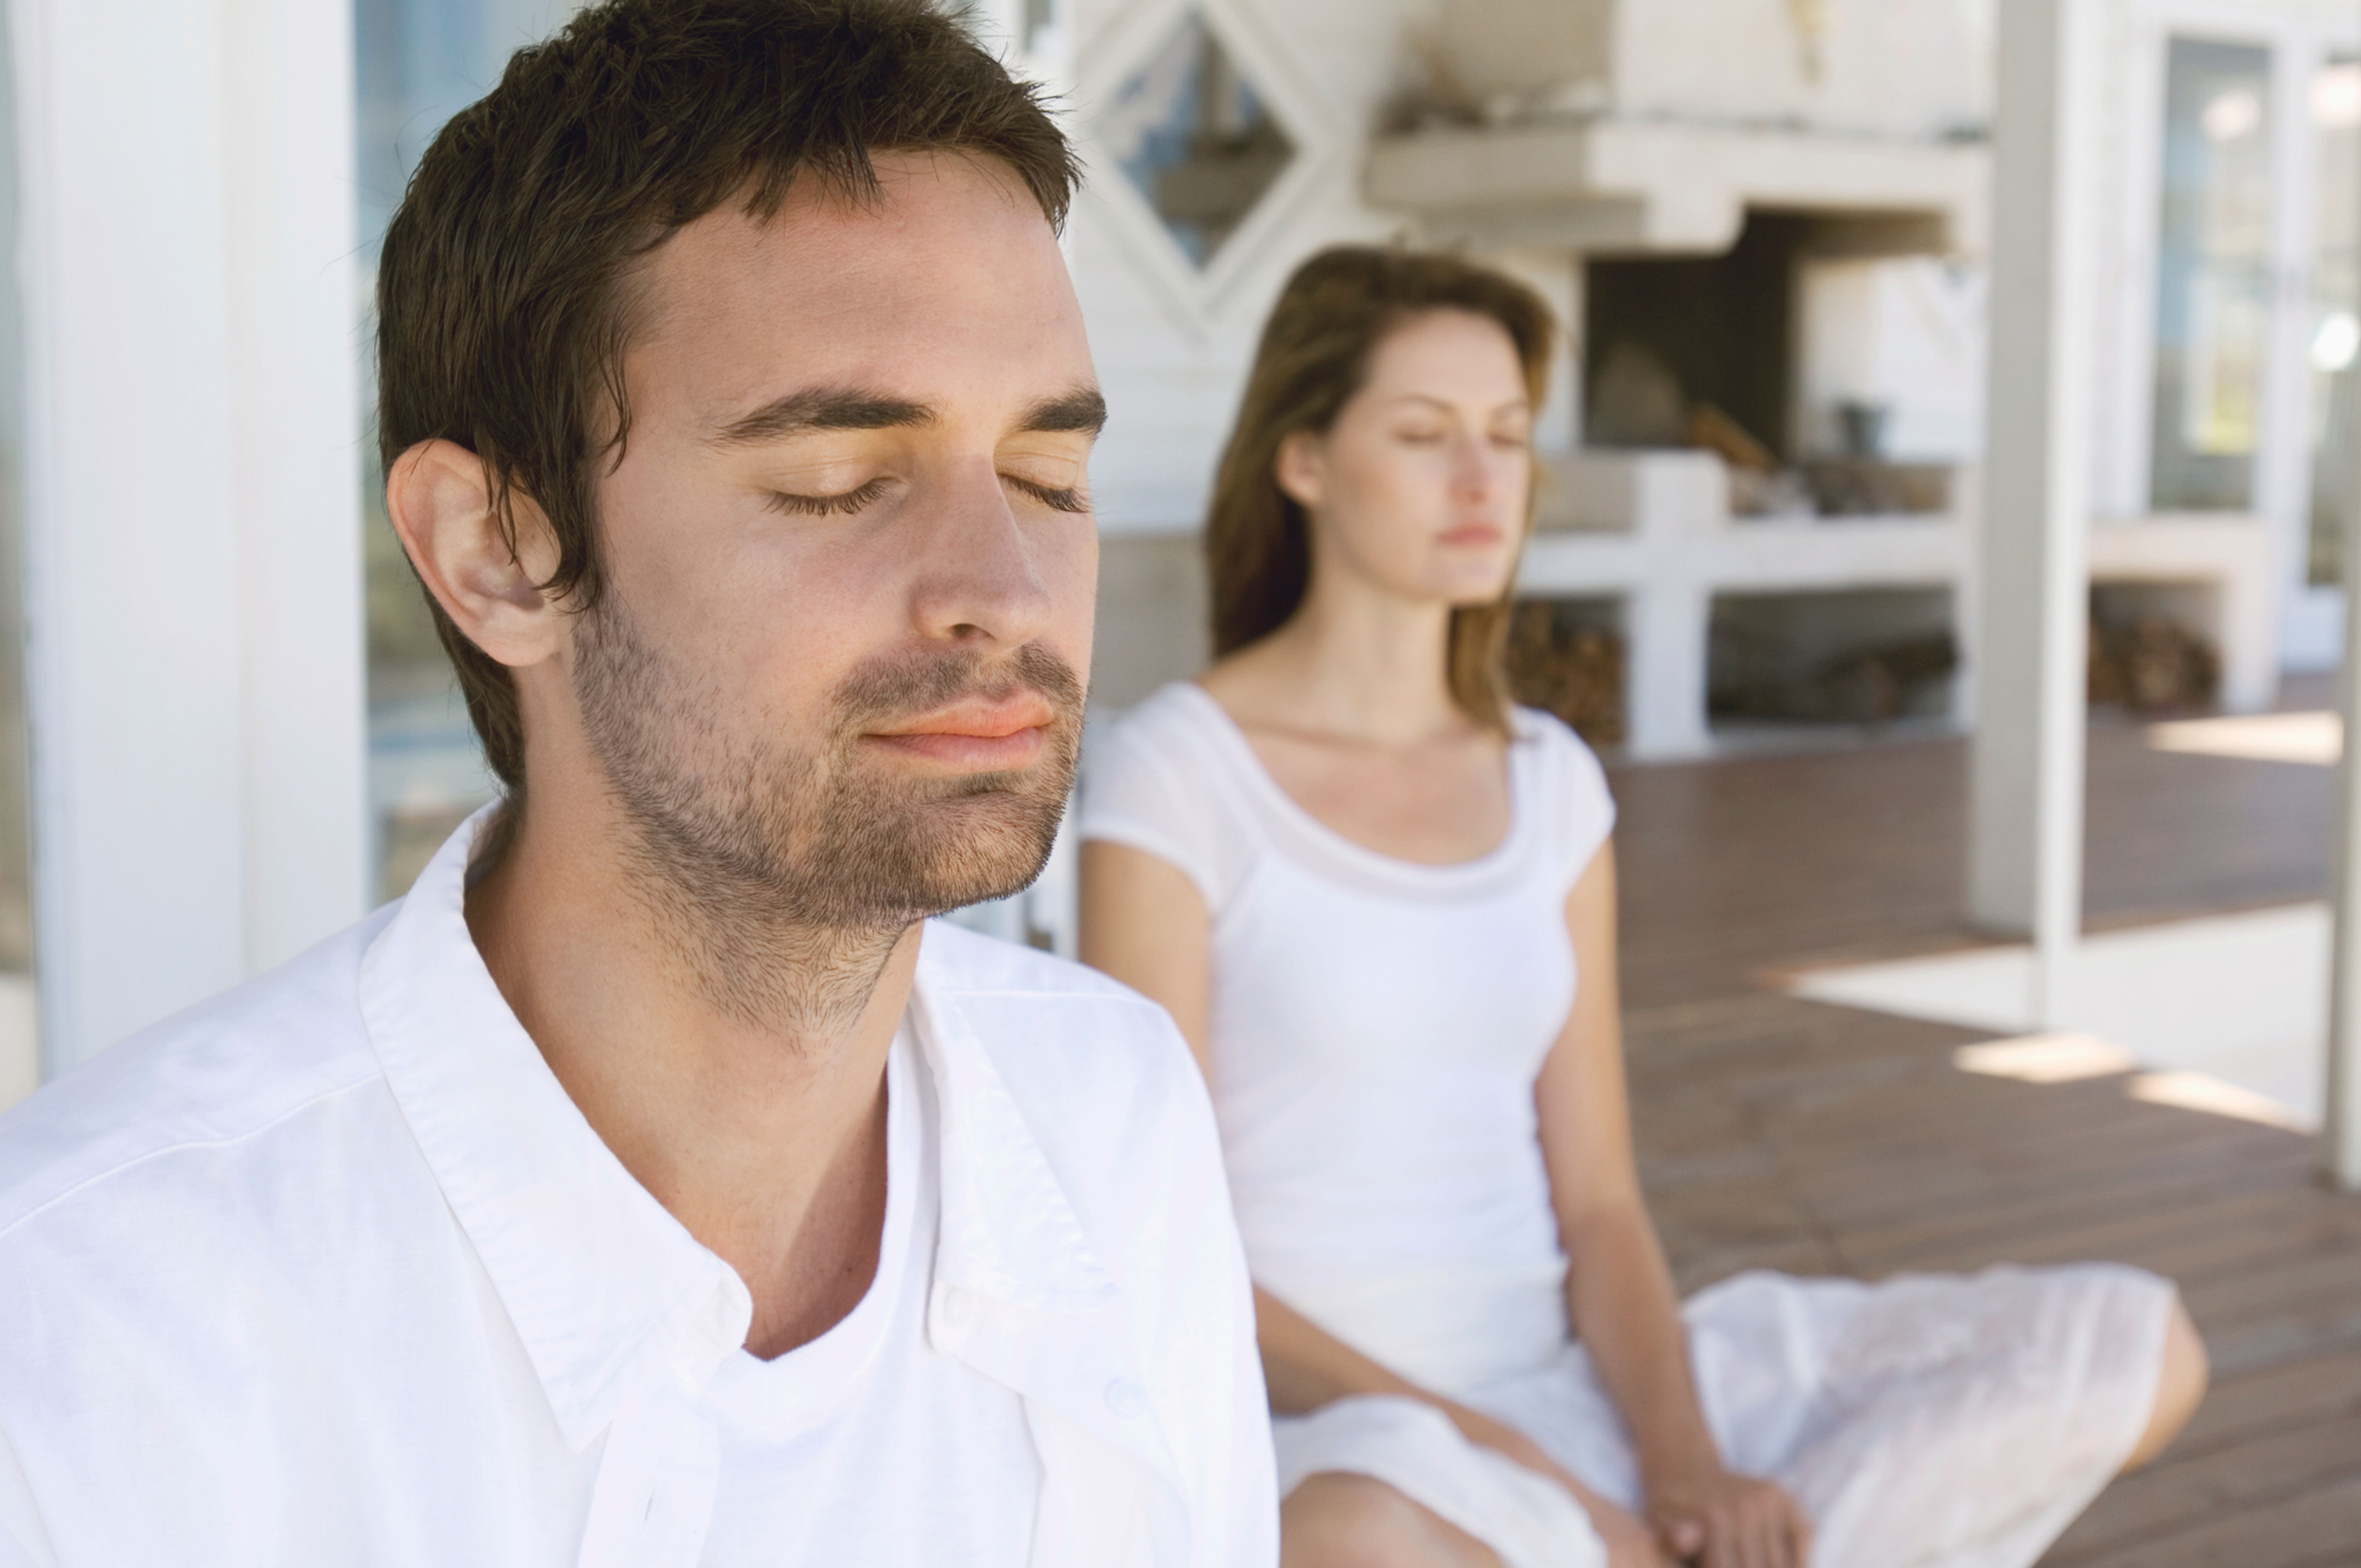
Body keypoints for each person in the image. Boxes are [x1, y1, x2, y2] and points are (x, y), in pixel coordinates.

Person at [0, 4, 1275, 1564]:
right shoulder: (86, 1338)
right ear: (497, 550)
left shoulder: (1116, 1115)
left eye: (1047, 476)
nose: (1005, 588)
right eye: (838, 482)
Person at [1076, 245, 2209, 1568]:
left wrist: (1682, 1467)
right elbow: (1168, 1241)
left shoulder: (1552, 784)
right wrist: (1532, 1476)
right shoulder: (1179, 775)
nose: (1484, 478)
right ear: (1305, 458)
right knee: (1358, 1543)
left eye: (1508, 435)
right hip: (1350, 1437)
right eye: (1425, 433)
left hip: (1585, 1386)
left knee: (2135, 1348)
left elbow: (1601, 1200)